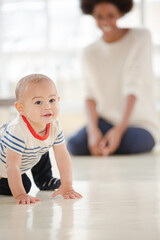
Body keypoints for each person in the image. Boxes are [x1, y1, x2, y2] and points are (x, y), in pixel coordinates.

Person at [67, 0, 159, 156]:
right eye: (99, 16)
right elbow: (89, 96)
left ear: (121, 14)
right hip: (106, 121)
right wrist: (92, 130)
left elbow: (133, 85)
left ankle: (108, 143)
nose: (105, 21)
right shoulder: (89, 53)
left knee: (132, 143)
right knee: (74, 145)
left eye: (111, 15)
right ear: (92, 16)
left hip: (140, 123)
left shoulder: (140, 37)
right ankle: (106, 143)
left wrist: (119, 130)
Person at [0, 74, 82, 204]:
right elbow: (12, 165)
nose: (47, 107)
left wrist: (67, 185)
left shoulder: (55, 125)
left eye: (52, 100)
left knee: (41, 145)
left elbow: (62, 156)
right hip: (4, 169)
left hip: (27, 155)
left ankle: (44, 179)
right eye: (38, 102)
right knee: (25, 185)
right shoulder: (17, 131)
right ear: (21, 109)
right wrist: (20, 194)